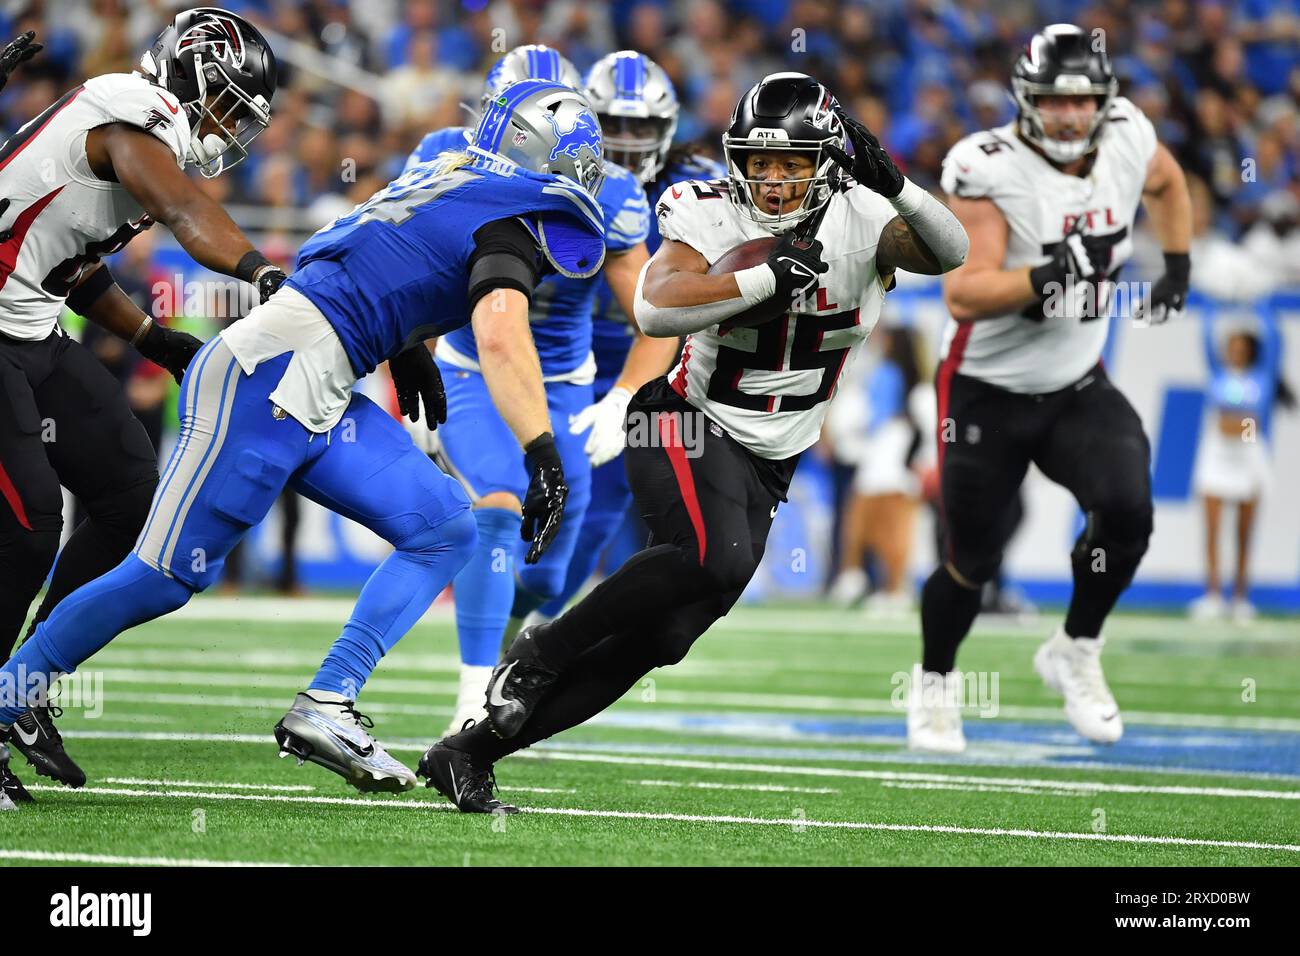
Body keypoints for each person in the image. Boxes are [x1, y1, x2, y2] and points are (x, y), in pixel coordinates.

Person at [0, 79, 606, 800]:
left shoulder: (451, 175)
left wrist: (404, 337)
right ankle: (9, 694)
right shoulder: (514, 216)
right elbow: (502, 336)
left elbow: (356, 250)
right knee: (165, 577)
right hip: (271, 373)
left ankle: (327, 704)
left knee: (444, 525)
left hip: (318, 376)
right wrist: (541, 449)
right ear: (546, 154)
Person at [417, 71, 970, 813]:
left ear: (829, 161)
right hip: (680, 416)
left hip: (771, 457)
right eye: (760, 162)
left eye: (792, 162)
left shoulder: (865, 217)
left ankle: (470, 751)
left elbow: (951, 251)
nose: (772, 181)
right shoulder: (703, 208)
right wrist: (763, 280)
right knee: (713, 555)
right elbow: (653, 305)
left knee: (666, 636)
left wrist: (898, 184)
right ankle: (538, 652)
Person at [0, 8, 282, 807]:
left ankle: (23, 683)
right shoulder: (130, 111)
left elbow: (72, 264)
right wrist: (261, 274)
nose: (229, 129)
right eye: (226, 104)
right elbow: (185, 212)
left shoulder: (131, 137)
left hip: (32, 326)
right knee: (24, 532)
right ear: (188, 80)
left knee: (133, 499)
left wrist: (153, 339)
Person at [907, 24, 1192, 754]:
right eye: (1054, 104)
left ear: (1104, 100)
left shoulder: (1128, 134)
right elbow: (965, 294)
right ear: (1025, 101)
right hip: (985, 387)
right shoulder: (987, 164)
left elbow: (1166, 181)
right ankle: (935, 685)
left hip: (1074, 380)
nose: (1069, 117)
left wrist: (1178, 264)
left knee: (1127, 512)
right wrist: (1045, 276)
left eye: (1083, 102)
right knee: (975, 557)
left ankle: (1076, 649)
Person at [404, 45, 659, 735]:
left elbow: (656, 316)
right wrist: (413, 366)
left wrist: (625, 393)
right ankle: (470, 702)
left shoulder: (610, 190)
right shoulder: (443, 158)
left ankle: (504, 650)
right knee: (496, 505)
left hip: (563, 385)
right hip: (470, 366)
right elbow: (406, 269)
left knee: (548, 576)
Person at [526, 50, 723, 627]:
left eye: (641, 126)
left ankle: (537, 630)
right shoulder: (553, 169)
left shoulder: (702, 188)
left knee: (601, 503)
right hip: (565, 353)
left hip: (651, 362)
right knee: (532, 493)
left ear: (667, 129)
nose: (628, 139)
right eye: (612, 123)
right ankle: (508, 610)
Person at [1189, 316, 1292, 622]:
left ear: (1249, 351)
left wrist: (1262, 304)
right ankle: (1213, 595)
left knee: (1244, 532)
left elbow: (1277, 343)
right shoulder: (1218, 374)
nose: (1234, 351)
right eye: (1230, 346)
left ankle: (1240, 598)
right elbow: (1205, 335)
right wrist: (1214, 301)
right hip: (1218, 453)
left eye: (1240, 346)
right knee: (1212, 529)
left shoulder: (1261, 377)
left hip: (1248, 450)